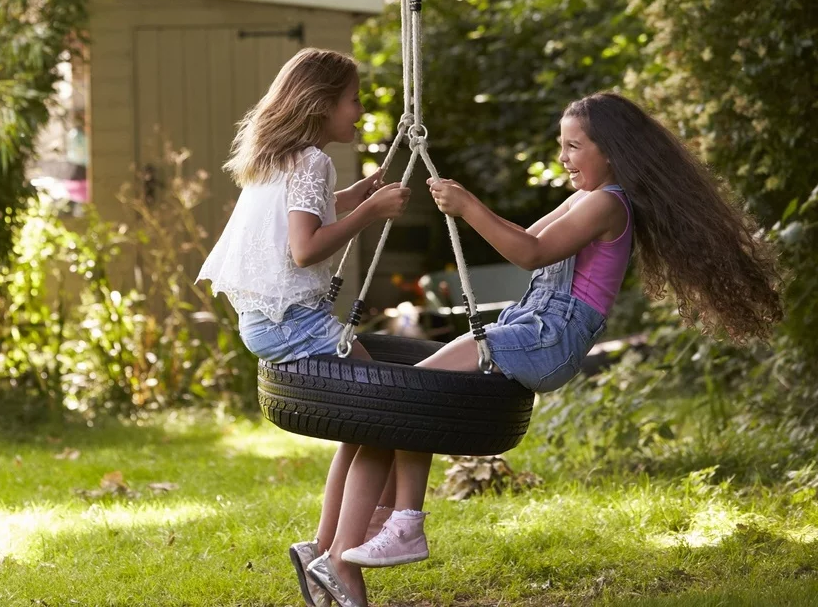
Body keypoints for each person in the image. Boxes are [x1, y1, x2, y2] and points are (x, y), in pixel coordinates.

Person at [304, 92, 782, 607]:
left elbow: (531, 254)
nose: (563, 158)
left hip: (550, 338)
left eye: (574, 146)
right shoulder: (585, 198)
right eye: (561, 146)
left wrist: (468, 207)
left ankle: (401, 524)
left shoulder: (607, 203)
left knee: (414, 393)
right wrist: (471, 209)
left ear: (612, 151)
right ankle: (351, 543)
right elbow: (526, 236)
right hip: (531, 326)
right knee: (411, 396)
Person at [196, 47, 411, 607]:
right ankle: (342, 558)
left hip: (267, 321)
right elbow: (304, 246)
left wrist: (357, 194)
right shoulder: (311, 159)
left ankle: (321, 547)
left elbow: (308, 213)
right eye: (354, 100)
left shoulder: (283, 157)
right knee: (388, 416)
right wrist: (369, 214)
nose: (360, 112)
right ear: (321, 103)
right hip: (295, 321)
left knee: (363, 428)